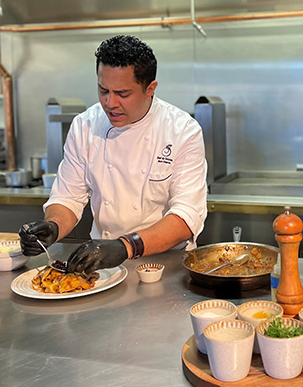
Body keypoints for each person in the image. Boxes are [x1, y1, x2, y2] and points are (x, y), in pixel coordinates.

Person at [19, 35, 208, 274]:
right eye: (103, 90)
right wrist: (53, 226)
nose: (110, 103)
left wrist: (125, 246)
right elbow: (68, 197)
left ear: (150, 89)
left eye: (123, 93)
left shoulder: (182, 130)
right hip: (100, 264)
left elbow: (187, 216)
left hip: (166, 267)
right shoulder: (84, 126)